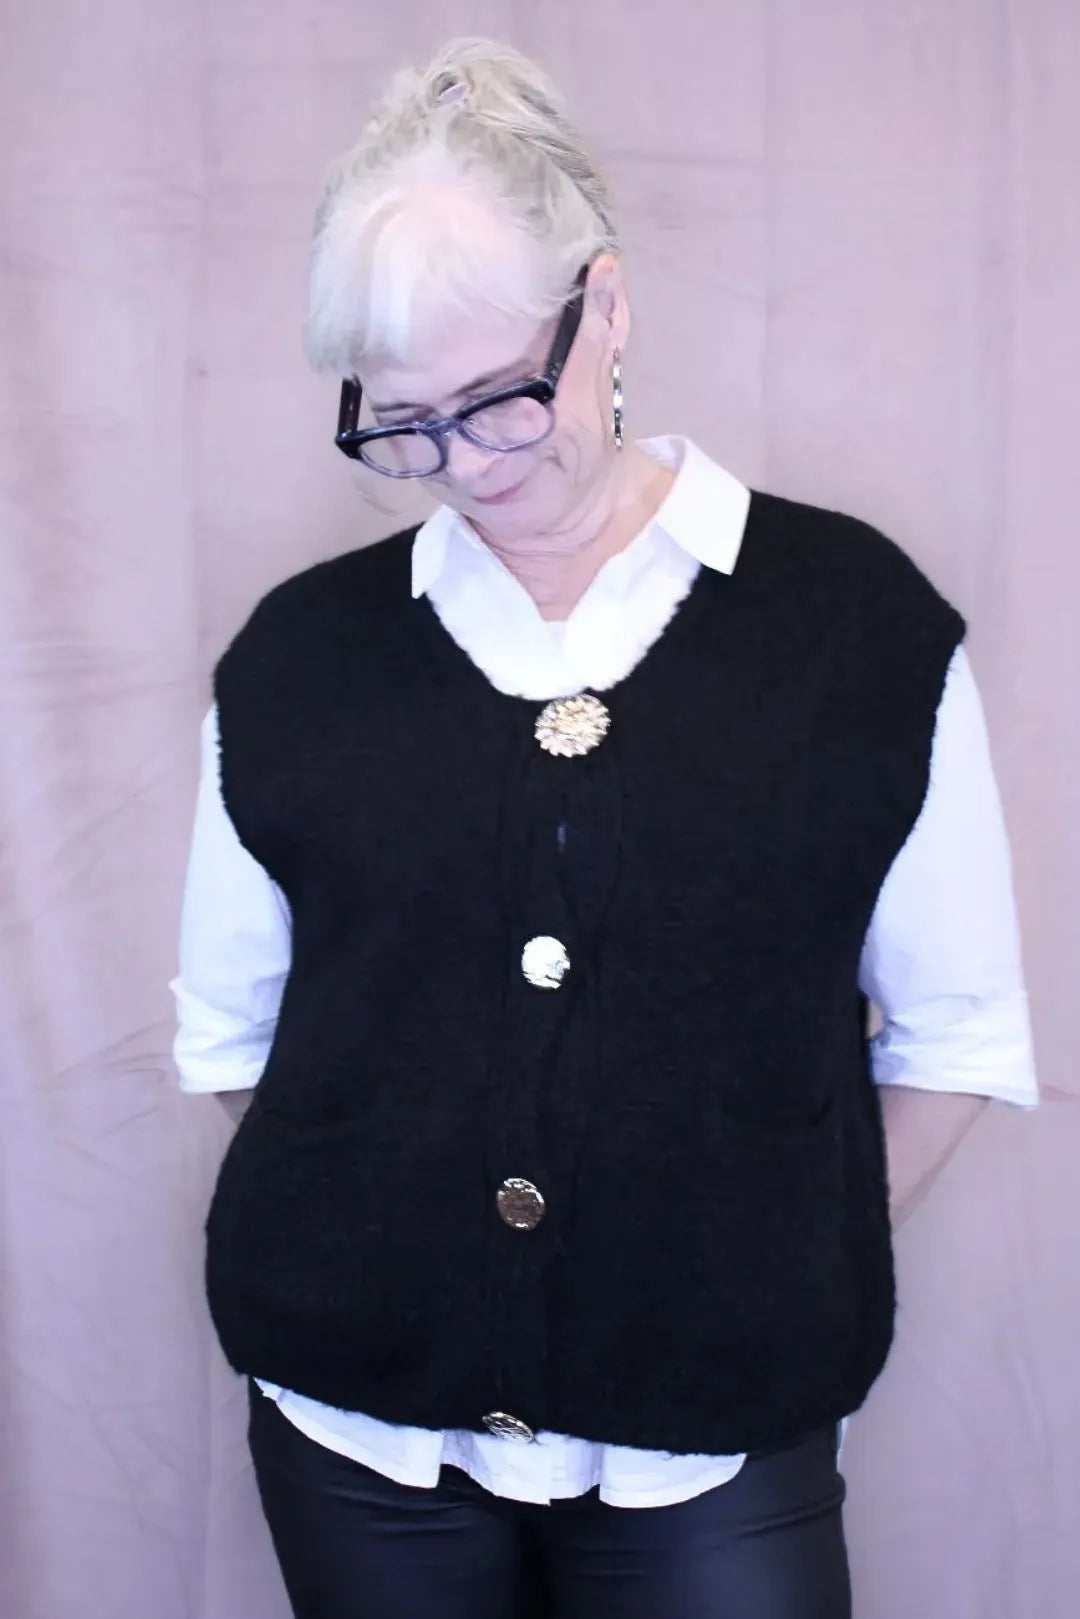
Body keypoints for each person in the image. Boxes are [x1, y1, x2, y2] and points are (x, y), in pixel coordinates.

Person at [171, 37, 1038, 1619]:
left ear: (608, 309)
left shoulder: (857, 631)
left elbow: (959, 1033)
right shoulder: (298, 658)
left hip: (719, 1428)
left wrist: (753, 1250)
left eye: (502, 400)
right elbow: (236, 1038)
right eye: (404, 425)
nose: (463, 465)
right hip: (356, 1426)